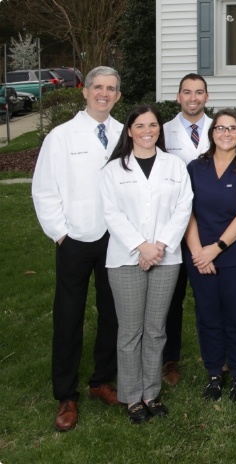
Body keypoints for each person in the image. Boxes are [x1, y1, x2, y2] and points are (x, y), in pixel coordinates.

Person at [33, 65, 124, 431]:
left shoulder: (124, 133)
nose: (104, 93)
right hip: (73, 239)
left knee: (112, 313)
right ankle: (66, 394)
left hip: (115, 239)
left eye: (111, 88)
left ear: (118, 96)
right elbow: (43, 189)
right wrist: (60, 233)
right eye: (98, 87)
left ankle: (101, 380)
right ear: (85, 91)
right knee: (68, 317)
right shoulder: (61, 136)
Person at [100, 105, 193, 423]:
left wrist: (160, 246)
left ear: (159, 129)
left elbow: (184, 208)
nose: (147, 130)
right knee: (130, 331)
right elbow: (111, 214)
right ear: (129, 131)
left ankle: (150, 392)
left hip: (167, 258)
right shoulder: (114, 170)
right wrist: (142, 246)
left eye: (153, 124)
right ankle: (130, 396)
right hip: (126, 259)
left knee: (155, 330)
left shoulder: (175, 165)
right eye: (140, 125)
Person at [185, 109, 236, 402]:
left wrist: (215, 248)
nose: (226, 133)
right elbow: (187, 213)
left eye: (232, 129)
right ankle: (215, 372)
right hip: (199, 255)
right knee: (208, 315)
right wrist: (198, 253)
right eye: (220, 128)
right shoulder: (195, 167)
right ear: (212, 133)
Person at [161, 73, 211, 386]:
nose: (193, 98)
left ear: (207, 97)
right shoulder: (161, 132)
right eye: (187, 92)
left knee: (210, 296)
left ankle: (216, 355)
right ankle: (170, 359)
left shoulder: (222, 128)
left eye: (199, 92)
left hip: (212, 225)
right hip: (173, 227)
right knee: (172, 297)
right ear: (178, 97)